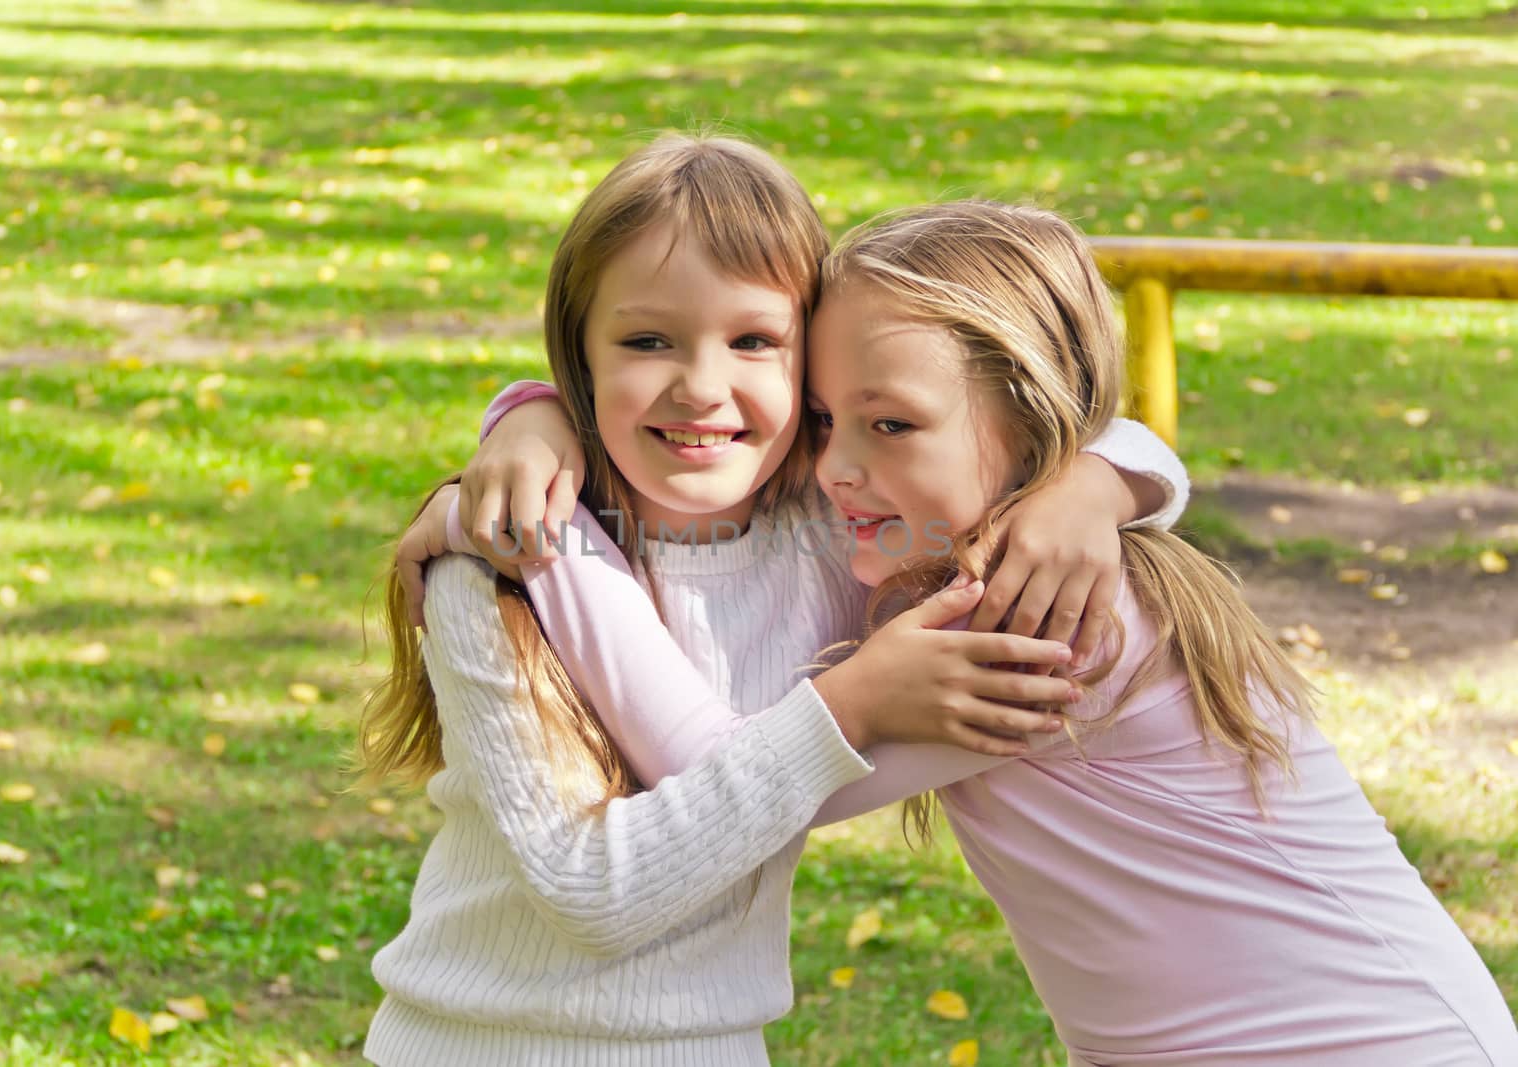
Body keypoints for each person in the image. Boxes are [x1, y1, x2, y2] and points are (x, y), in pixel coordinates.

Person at [437, 199, 1518, 1065]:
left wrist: (542, 541)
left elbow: (717, 778)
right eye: (822, 419)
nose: (832, 468)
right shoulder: (976, 549)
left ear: (1032, 417)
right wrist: (532, 411)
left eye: (889, 423)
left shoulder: (1050, 617)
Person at [360, 134, 1190, 1066]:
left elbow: (1060, 429)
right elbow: (592, 891)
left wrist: (1096, 486)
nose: (701, 386)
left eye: (754, 340)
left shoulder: (835, 534)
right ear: (580, 359)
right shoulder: (498, 562)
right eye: (645, 340)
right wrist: (523, 419)